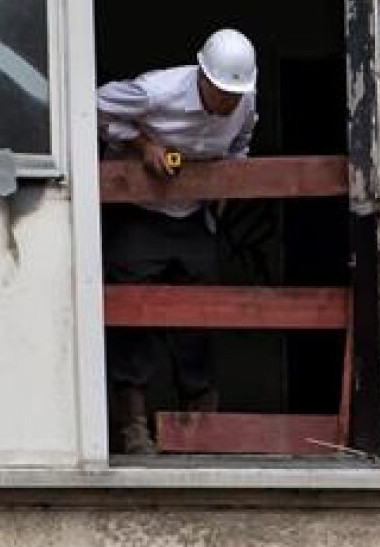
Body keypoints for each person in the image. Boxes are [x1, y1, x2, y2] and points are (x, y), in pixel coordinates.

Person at [97, 28, 259, 455]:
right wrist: (142, 144)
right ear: (201, 76)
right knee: (133, 317)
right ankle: (133, 428)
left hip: (193, 218)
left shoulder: (246, 99)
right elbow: (91, 106)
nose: (228, 102)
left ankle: (200, 429)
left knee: (199, 320)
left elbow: (242, 142)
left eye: (234, 94)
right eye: (221, 91)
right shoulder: (157, 90)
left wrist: (229, 179)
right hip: (140, 216)